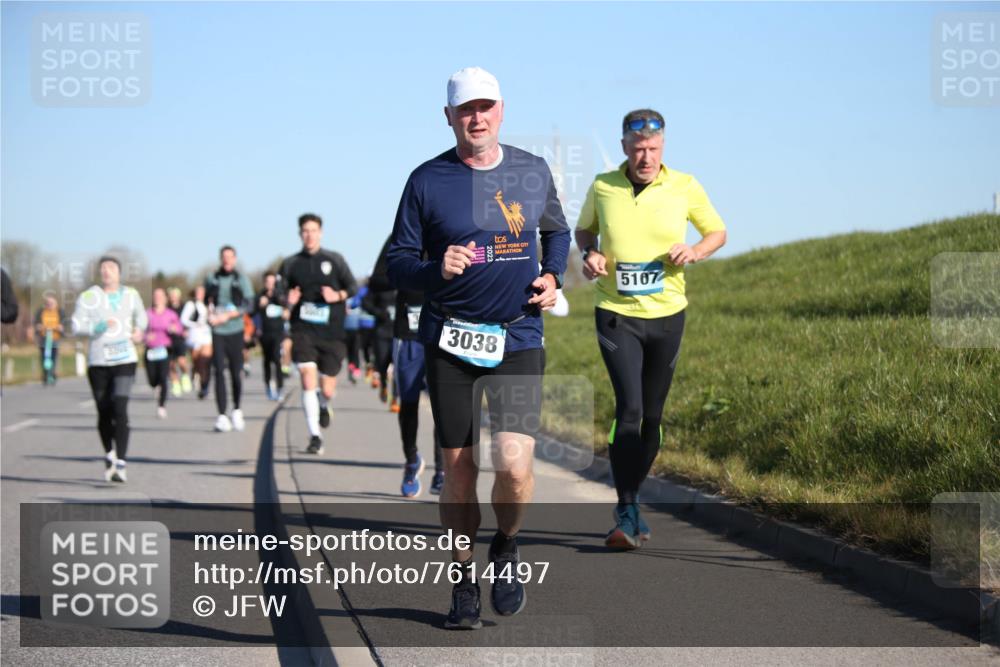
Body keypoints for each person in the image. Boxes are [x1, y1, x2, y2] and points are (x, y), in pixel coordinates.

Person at [387, 67, 569, 629]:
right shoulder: (426, 180)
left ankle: (507, 544)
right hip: (450, 337)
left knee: (514, 467)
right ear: (449, 117)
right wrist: (432, 269)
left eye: (486, 106)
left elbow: (556, 232)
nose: (477, 117)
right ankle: (463, 579)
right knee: (459, 468)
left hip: (517, 333)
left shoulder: (531, 170)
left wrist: (554, 276)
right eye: (466, 109)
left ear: (502, 110)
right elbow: (398, 263)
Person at [575, 109, 727, 549]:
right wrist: (592, 254)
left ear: (664, 147)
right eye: (638, 148)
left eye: (654, 149)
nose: (646, 157)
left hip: (667, 315)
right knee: (630, 408)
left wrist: (694, 250)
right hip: (617, 313)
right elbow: (583, 229)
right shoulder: (604, 185)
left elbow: (717, 231)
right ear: (624, 146)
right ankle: (625, 509)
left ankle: (634, 498)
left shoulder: (684, 185)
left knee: (653, 418)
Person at [370, 236, 444, 497]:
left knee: (444, 405)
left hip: (444, 331)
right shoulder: (400, 238)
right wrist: (414, 273)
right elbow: (376, 280)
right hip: (409, 334)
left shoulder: (452, 227)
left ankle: (442, 470)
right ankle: (412, 459)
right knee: (408, 402)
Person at [278, 213, 358, 454]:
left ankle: (324, 404)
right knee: (307, 380)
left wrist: (338, 296)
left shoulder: (334, 260)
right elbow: (279, 293)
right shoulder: (291, 263)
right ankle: (315, 435)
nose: (309, 235)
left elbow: (352, 287)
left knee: (327, 388)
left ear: (320, 233)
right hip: (303, 330)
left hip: (332, 333)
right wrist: (287, 300)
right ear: (300, 234)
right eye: (305, 231)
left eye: (313, 230)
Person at [71, 256, 147, 483]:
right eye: (103, 268)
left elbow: (142, 318)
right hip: (98, 361)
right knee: (104, 411)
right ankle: (109, 453)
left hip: (125, 358)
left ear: (119, 273)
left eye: (111, 268)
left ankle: (121, 462)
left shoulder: (131, 294)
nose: (106, 271)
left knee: (120, 407)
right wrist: (96, 327)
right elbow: (75, 325)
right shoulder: (88, 296)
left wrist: (139, 331)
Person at [204, 246, 255, 432]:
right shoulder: (212, 278)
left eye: (230, 257)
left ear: (234, 259)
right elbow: (207, 300)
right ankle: (221, 415)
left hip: (235, 329)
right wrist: (210, 313)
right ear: (220, 259)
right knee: (218, 371)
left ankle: (237, 409)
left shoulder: (241, 279)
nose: (227, 261)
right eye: (224, 257)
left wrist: (230, 315)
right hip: (218, 331)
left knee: (235, 372)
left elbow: (249, 304)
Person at [145, 287, 183, 419]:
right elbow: (140, 330)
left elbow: (179, 328)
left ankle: (161, 406)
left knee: (163, 377)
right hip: (150, 350)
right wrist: (146, 337)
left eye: (160, 295)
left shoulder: (170, 314)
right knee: (152, 379)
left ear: (165, 298)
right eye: (155, 295)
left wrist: (174, 329)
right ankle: (156, 386)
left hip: (165, 349)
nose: (157, 298)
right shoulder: (147, 313)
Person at [254, 270, 289, 401]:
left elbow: (287, 309)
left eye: (272, 281)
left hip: (278, 332)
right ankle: (268, 386)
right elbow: (252, 312)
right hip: (264, 333)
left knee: (276, 359)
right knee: (267, 361)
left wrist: (286, 311)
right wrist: (259, 305)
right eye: (267, 281)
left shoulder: (279, 296)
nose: (270, 284)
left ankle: (280, 388)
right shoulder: (260, 296)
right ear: (264, 282)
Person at [181, 285, 213, 399]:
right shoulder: (191, 304)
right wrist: (195, 324)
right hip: (194, 336)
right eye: (198, 292)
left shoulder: (209, 304)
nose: (200, 294)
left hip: (206, 335)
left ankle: (204, 386)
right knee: (197, 362)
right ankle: (196, 376)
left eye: (202, 292)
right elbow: (183, 319)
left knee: (205, 361)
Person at [33, 294, 65, 385]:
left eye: (52, 303)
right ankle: (45, 374)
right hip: (44, 339)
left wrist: (60, 327)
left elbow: (64, 324)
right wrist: (38, 327)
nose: (50, 305)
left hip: (55, 338)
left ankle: (52, 374)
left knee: (54, 358)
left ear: (56, 303)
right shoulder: (41, 312)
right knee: (44, 358)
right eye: (48, 303)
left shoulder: (59, 312)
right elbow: (36, 323)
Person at [166, 286, 192, 396]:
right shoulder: (166, 309)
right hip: (167, 339)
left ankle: (185, 375)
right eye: (171, 295)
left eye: (175, 295)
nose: (173, 297)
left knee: (181, 361)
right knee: (170, 364)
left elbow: (188, 320)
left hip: (180, 338)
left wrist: (186, 330)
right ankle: (175, 383)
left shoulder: (184, 307)